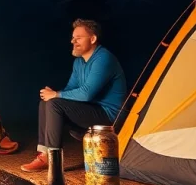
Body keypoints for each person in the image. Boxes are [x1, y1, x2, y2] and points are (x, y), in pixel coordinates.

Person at [21, 18, 127, 172]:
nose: (73, 41)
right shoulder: (79, 62)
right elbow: (71, 88)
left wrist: (56, 95)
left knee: (54, 103)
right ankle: (44, 155)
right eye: (72, 38)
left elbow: (86, 94)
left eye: (78, 38)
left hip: (109, 117)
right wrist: (53, 94)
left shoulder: (103, 59)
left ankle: (53, 159)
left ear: (92, 39)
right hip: (91, 110)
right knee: (46, 102)